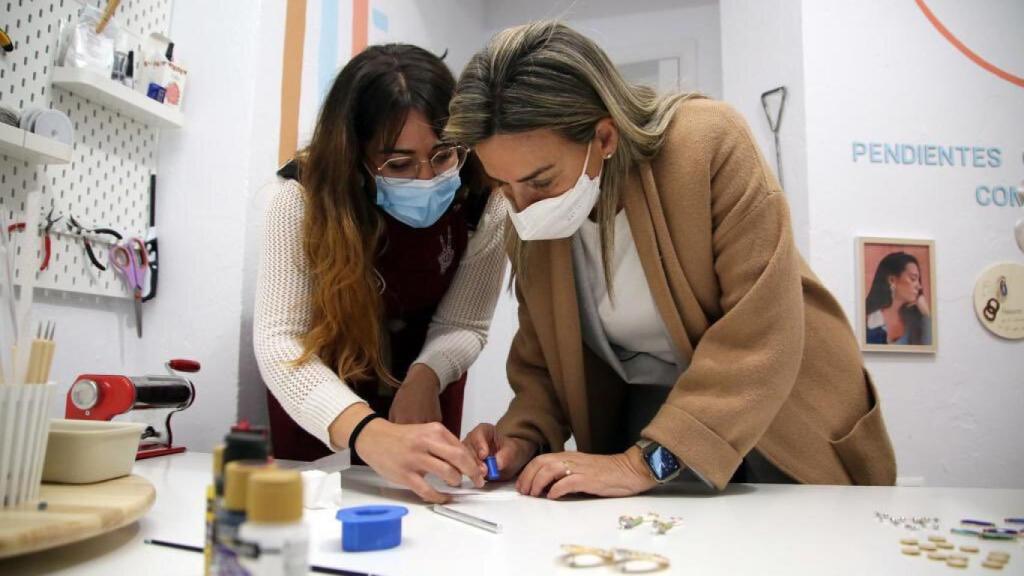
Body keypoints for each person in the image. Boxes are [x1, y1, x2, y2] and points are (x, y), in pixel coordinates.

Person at [446, 22, 897, 498]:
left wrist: (642, 466)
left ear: (604, 138)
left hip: (778, 414)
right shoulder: (532, 215)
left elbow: (760, 335)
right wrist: (521, 435)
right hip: (654, 426)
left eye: (540, 182)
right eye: (502, 184)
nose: (520, 207)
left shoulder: (707, 144)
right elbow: (545, 359)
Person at [254, 44, 508, 502]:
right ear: (356, 157)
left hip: (428, 367)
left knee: (423, 508)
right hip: (322, 376)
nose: (427, 177)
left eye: (444, 154)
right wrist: (364, 430)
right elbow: (280, 340)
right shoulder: (302, 198)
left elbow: (465, 323)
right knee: (327, 510)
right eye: (399, 163)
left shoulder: (484, 199)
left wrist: (426, 376)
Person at [865, 252, 931, 345]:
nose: (919, 286)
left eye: (918, 280)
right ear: (892, 280)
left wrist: (926, 314)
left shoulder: (919, 320)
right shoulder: (868, 320)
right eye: (913, 279)